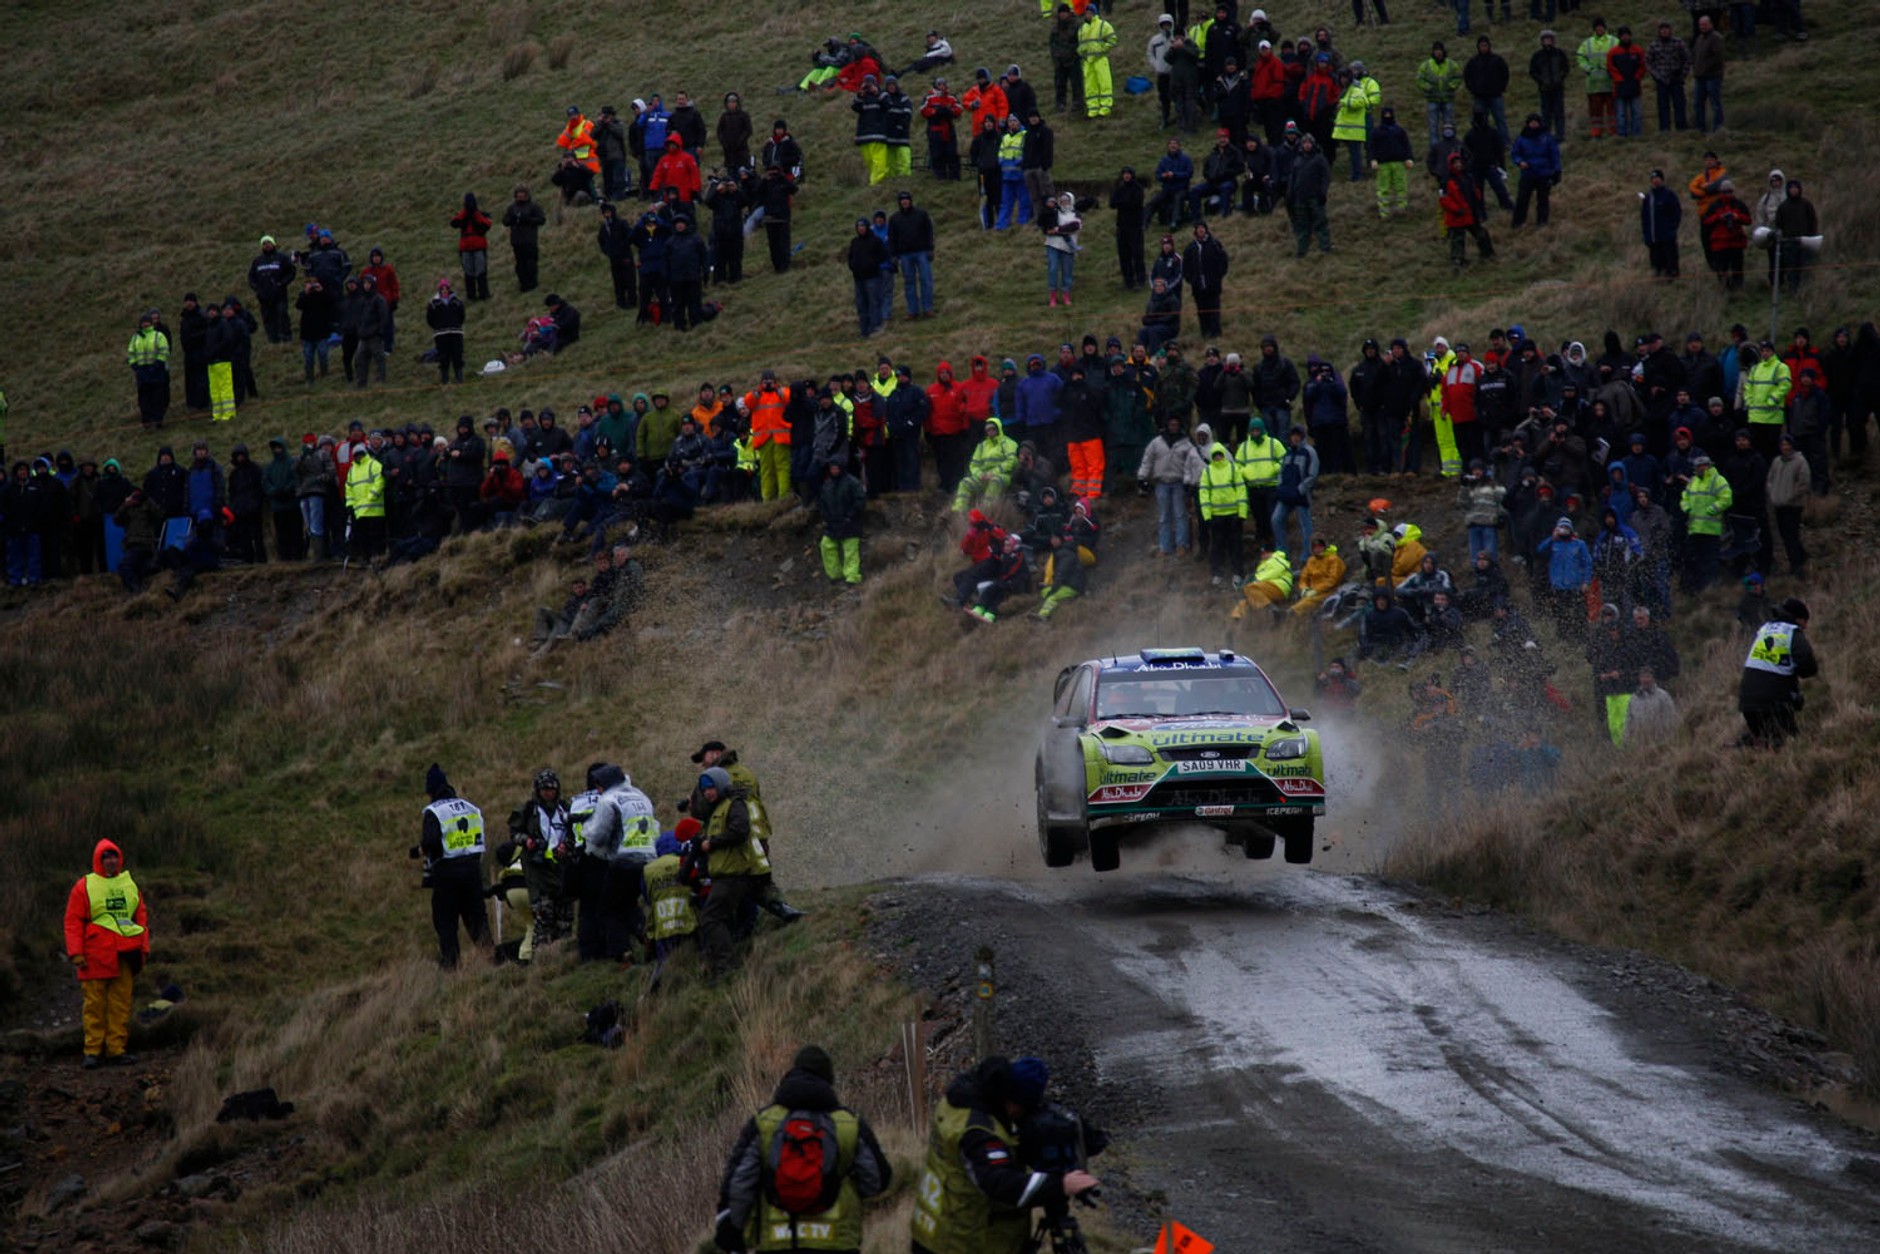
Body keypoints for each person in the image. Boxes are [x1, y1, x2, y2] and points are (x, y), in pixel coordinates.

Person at [910, 1056, 1100, 1254]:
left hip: (934, 1230)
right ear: (1012, 1101)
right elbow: (999, 1183)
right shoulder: (978, 1131)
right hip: (961, 1242)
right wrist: (1060, 1185)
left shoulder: (958, 1103)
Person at [715, 1045, 892, 1254]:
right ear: (828, 1080)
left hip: (779, 1243)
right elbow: (877, 1181)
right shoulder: (848, 1125)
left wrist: (731, 1232)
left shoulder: (765, 1124)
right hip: (836, 1245)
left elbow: (739, 1183)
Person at [64, 839, 151, 1070]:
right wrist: (76, 953)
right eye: (106, 857)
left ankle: (116, 1050)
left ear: (119, 859)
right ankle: (92, 1051)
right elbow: (73, 921)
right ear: (99, 860)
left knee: (120, 1005)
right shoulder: (84, 886)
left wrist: (143, 948)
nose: (111, 861)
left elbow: (141, 918)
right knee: (94, 1005)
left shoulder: (129, 884)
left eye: (114, 856)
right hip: (94, 955)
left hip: (125, 954)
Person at [694, 766, 769, 981]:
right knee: (721, 918)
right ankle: (726, 965)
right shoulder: (717, 809)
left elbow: (740, 830)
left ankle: (725, 968)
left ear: (720, 784)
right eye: (703, 788)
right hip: (724, 875)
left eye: (710, 787)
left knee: (710, 918)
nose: (707, 792)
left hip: (734, 875)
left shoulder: (734, 805)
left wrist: (712, 843)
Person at [579, 763, 659, 963]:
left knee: (608, 909)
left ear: (605, 783)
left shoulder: (609, 800)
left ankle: (623, 955)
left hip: (623, 860)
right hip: (648, 858)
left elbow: (598, 836)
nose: (597, 790)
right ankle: (646, 936)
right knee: (628, 903)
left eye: (598, 785)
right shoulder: (642, 796)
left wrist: (584, 830)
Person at [415, 764, 489, 970]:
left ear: (430, 790)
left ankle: (452, 968)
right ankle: (491, 960)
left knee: (446, 923)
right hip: (473, 870)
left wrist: (419, 850)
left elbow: (431, 842)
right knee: (477, 920)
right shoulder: (469, 807)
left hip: (447, 873)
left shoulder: (434, 812)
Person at [1739, 598, 1817, 746]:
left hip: (1746, 701)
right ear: (1798, 619)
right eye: (1805, 621)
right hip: (1772, 703)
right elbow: (1808, 667)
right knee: (1789, 742)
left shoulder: (1765, 629)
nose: (1806, 627)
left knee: (1764, 738)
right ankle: (1744, 749)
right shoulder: (1792, 632)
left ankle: (1746, 749)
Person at [1440, 152, 1494, 268]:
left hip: (1471, 212)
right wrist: (1457, 209)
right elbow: (1444, 200)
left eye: (1459, 162)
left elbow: (1475, 192)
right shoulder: (1446, 180)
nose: (1458, 165)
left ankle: (1487, 255)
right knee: (1458, 240)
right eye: (1455, 163)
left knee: (1481, 234)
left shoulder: (1468, 176)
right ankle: (1458, 261)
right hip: (1458, 215)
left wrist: (1477, 200)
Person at [817, 459, 865, 585]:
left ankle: (852, 577)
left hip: (850, 523)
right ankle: (835, 575)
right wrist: (826, 517)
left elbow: (860, 501)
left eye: (836, 468)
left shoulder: (852, 483)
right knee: (826, 546)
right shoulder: (827, 484)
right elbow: (822, 503)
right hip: (833, 523)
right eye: (832, 468)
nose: (834, 470)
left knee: (850, 550)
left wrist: (850, 516)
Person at [1508, 114, 1560, 229]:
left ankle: (1542, 223)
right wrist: (1519, 162)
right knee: (1522, 199)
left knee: (1543, 200)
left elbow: (1555, 155)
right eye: (1531, 122)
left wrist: (1556, 171)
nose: (1533, 125)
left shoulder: (1547, 138)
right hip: (1528, 173)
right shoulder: (1522, 138)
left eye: (1536, 122)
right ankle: (1518, 223)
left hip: (1544, 173)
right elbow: (1515, 153)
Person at [1182, 221, 1228, 337]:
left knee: (1214, 309)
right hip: (1197, 286)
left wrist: (1218, 276)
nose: (1201, 230)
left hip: (1213, 285)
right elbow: (1186, 266)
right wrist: (1190, 279)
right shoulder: (1190, 248)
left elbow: (1223, 261)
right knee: (1202, 310)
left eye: (1203, 228)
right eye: (1198, 228)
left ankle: (1216, 332)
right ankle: (1205, 332)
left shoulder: (1214, 244)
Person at [126, 311, 171, 430]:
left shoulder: (158, 335)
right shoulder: (135, 337)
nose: (145, 325)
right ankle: (146, 421)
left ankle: (158, 421)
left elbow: (164, 351)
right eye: (143, 323)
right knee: (144, 399)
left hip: (156, 371)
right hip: (141, 372)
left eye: (147, 323)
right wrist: (135, 367)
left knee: (158, 397)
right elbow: (131, 353)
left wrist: (157, 365)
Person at [1416, 41, 1463, 150]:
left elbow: (1458, 77)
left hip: (1448, 98)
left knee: (1449, 125)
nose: (1438, 53)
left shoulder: (1452, 64)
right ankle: (1435, 149)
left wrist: (1452, 86)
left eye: (1440, 50)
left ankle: (1451, 147)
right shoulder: (1426, 65)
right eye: (1436, 50)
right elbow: (1419, 79)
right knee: (1433, 127)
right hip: (1432, 99)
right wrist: (1427, 87)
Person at [1578, 18, 1618, 138]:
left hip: (1610, 81)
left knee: (1612, 110)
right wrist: (1588, 69)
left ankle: (1613, 131)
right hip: (1593, 83)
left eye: (1601, 27)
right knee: (1595, 111)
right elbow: (1580, 58)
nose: (1599, 29)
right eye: (1597, 27)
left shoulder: (1614, 41)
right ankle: (1596, 132)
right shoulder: (1587, 43)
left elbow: (1620, 55)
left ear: (1605, 28)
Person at [502, 184, 547, 292]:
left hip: (529, 240)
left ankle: (532, 283)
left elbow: (541, 220)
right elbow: (505, 221)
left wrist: (528, 219)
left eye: (523, 196)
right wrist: (512, 219)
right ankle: (523, 284)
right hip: (517, 241)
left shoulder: (533, 206)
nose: (520, 198)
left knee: (531, 262)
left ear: (527, 196)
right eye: (518, 196)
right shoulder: (512, 208)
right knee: (520, 264)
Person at [1528, 30, 1570, 141]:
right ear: (1542, 41)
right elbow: (1532, 71)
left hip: (1558, 88)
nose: (1548, 41)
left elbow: (1566, 68)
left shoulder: (1559, 53)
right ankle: (1546, 135)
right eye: (1545, 39)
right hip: (1544, 89)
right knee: (1545, 114)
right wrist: (1541, 81)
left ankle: (1560, 135)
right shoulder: (1537, 56)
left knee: (1558, 113)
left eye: (1550, 39)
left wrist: (1559, 79)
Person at [1041, 191, 1081, 308]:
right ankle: (1052, 296)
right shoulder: (1054, 213)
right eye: (1062, 200)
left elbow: (1075, 226)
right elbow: (1046, 224)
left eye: (1066, 200)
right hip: (1053, 244)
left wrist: (1058, 230)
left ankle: (1066, 295)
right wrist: (1047, 230)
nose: (1064, 203)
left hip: (1068, 247)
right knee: (1053, 269)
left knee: (1067, 271)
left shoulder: (1076, 214)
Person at [1605, 27, 1647, 139]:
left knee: (1636, 112)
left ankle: (1637, 133)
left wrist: (1637, 77)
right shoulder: (1613, 52)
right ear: (1619, 37)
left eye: (1627, 35)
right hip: (1620, 86)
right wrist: (1618, 78)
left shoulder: (1637, 50)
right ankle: (1622, 134)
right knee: (1621, 113)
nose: (1625, 37)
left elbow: (1643, 65)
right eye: (1623, 35)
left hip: (1634, 85)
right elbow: (1610, 67)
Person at [1640, 168, 1682, 278]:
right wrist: (1646, 234)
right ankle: (1659, 280)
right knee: (1656, 263)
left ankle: (1672, 281)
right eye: (1653, 179)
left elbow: (1676, 213)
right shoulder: (1648, 198)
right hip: (1653, 238)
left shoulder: (1669, 195)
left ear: (1662, 180)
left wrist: (1672, 229)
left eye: (1657, 178)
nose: (1655, 181)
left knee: (1670, 260)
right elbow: (1644, 217)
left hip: (1667, 236)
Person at [1078, 6, 1118, 117]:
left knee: (1104, 82)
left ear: (1094, 13)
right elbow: (1081, 45)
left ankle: (1106, 106)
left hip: (1100, 59)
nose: (1088, 15)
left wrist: (1103, 49)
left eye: (1090, 13)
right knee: (1090, 85)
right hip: (1088, 61)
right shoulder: (1082, 29)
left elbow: (1112, 39)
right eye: (1086, 13)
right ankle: (1092, 107)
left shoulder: (1103, 25)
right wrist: (1082, 53)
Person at [1691, 15, 1725, 132]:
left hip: (1713, 77)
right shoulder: (1699, 39)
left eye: (1705, 24)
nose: (1703, 27)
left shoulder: (1716, 38)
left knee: (1715, 103)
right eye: (1701, 25)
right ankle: (1700, 128)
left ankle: (1718, 127)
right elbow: (1695, 55)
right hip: (1700, 77)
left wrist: (1704, 69)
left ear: (1711, 24)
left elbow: (1717, 58)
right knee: (1697, 104)